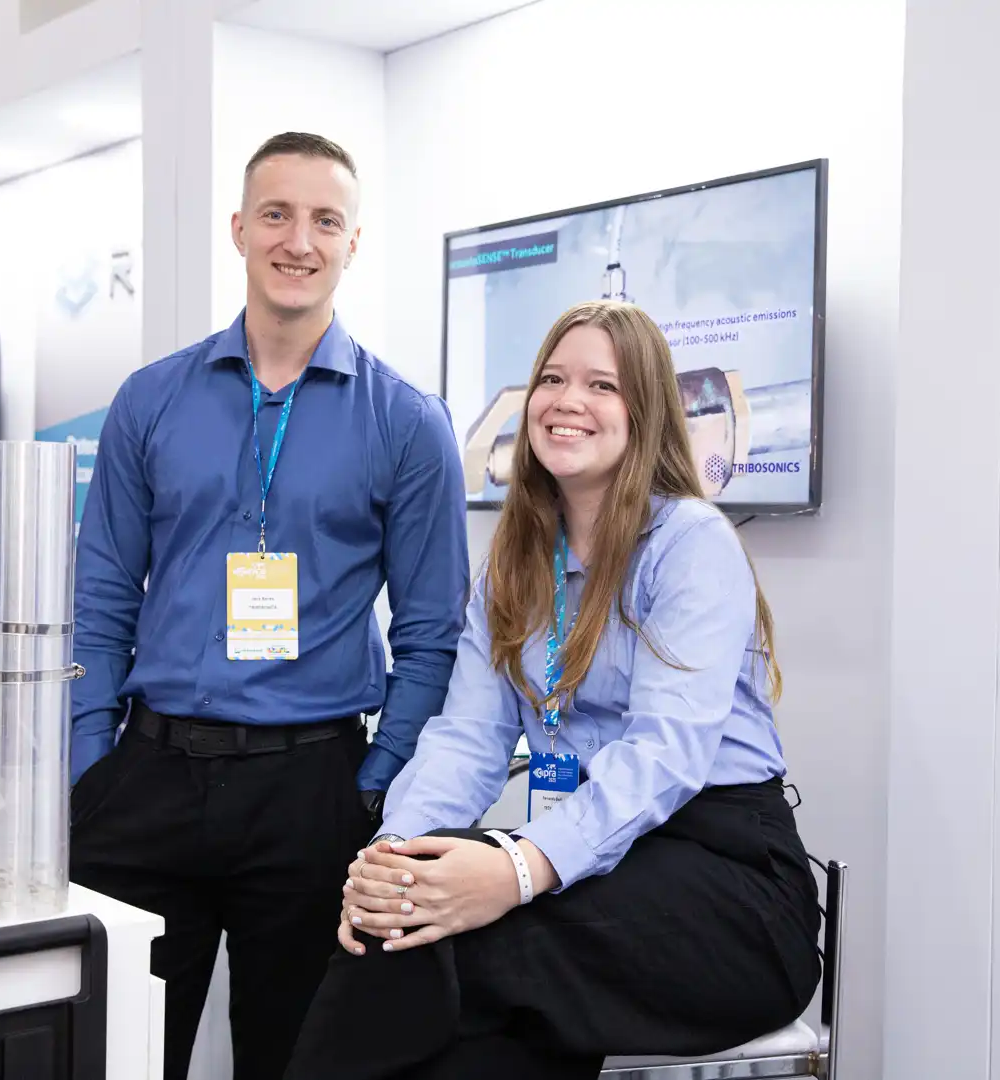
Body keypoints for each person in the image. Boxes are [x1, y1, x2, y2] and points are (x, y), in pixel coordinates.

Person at [284, 300, 823, 1080]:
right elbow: (466, 739)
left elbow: (664, 757)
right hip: (605, 859)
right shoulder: (515, 564)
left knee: (464, 947)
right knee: (408, 920)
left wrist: (516, 869)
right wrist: (391, 858)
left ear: (645, 411)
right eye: (552, 379)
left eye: (602, 385)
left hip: (729, 883)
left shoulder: (690, 543)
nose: (568, 400)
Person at [67, 132, 469, 1080]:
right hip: (147, 778)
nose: (299, 240)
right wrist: (89, 764)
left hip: (311, 793)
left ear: (353, 242)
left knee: (295, 1063)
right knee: (114, 1056)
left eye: (326, 220)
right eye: (277, 214)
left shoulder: (408, 422)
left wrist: (375, 784)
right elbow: (101, 593)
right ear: (240, 229)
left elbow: (431, 634)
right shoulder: (150, 399)